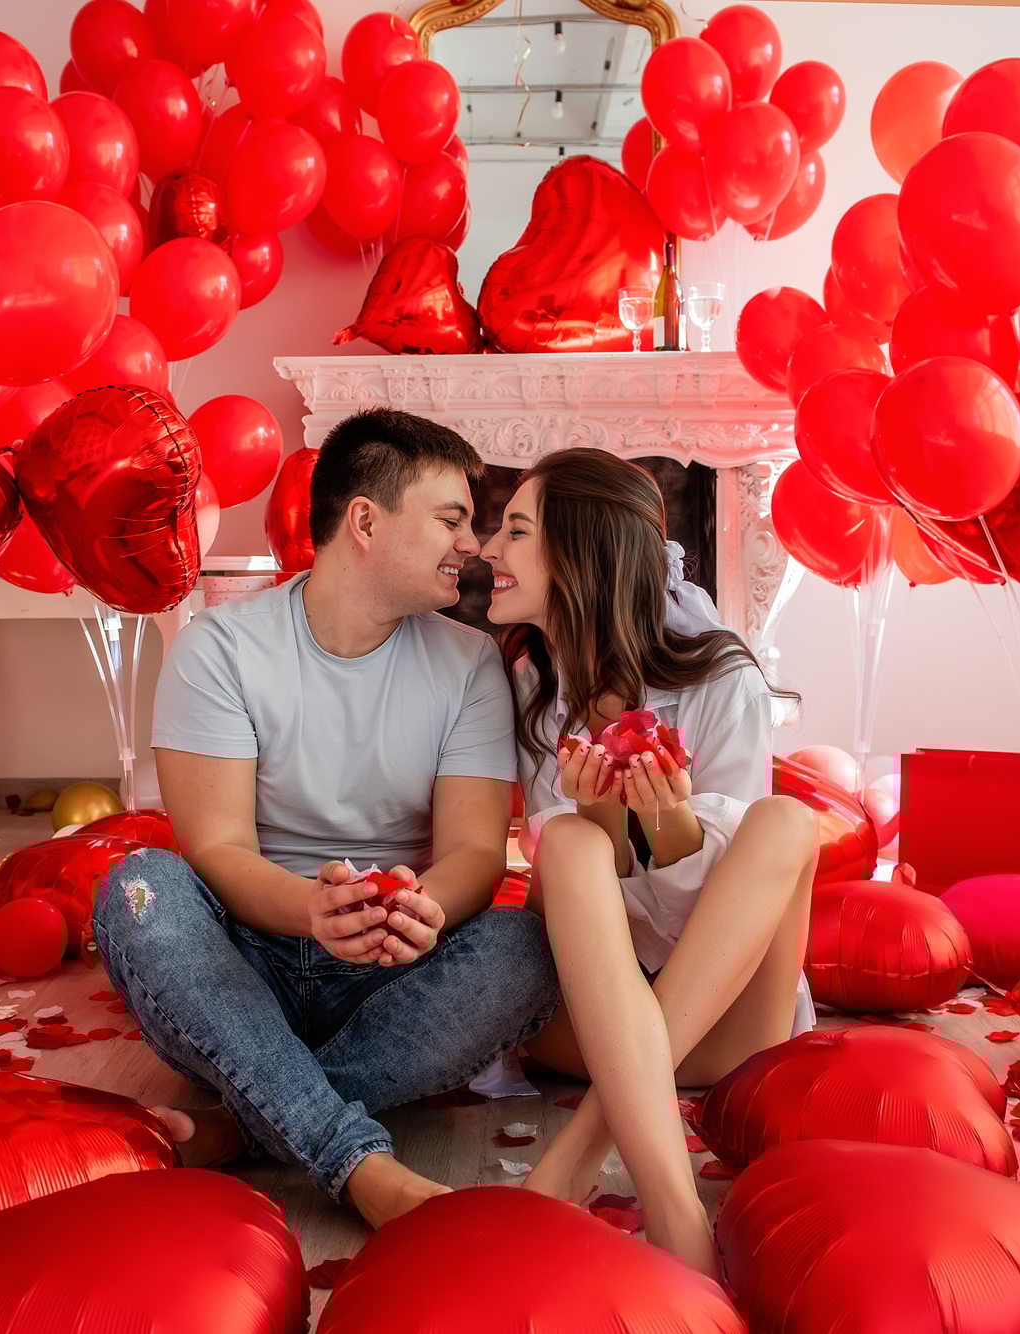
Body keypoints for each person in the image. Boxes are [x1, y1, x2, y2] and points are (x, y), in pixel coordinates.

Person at [93, 407, 559, 1228]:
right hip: (246, 960)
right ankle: (354, 1159)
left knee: (530, 941)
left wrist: (423, 908)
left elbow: (478, 851)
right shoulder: (222, 649)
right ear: (367, 521)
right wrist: (312, 912)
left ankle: (250, 1119)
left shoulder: (471, 662)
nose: (473, 543)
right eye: (452, 517)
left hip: (394, 972)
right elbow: (219, 850)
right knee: (141, 886)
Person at [479, 447, 817, 1277]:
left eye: (516, 530)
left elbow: (734, 909)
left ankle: (577, 1157)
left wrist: (671, 830)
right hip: (582, 1030)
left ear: (579, 549)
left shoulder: (722, 674)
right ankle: (676, 1212)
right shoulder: (527, 684)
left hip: (724, 1025)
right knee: (570, 839)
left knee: (784, 824)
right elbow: (576, 889)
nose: (489, 549)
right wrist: (595, 814)